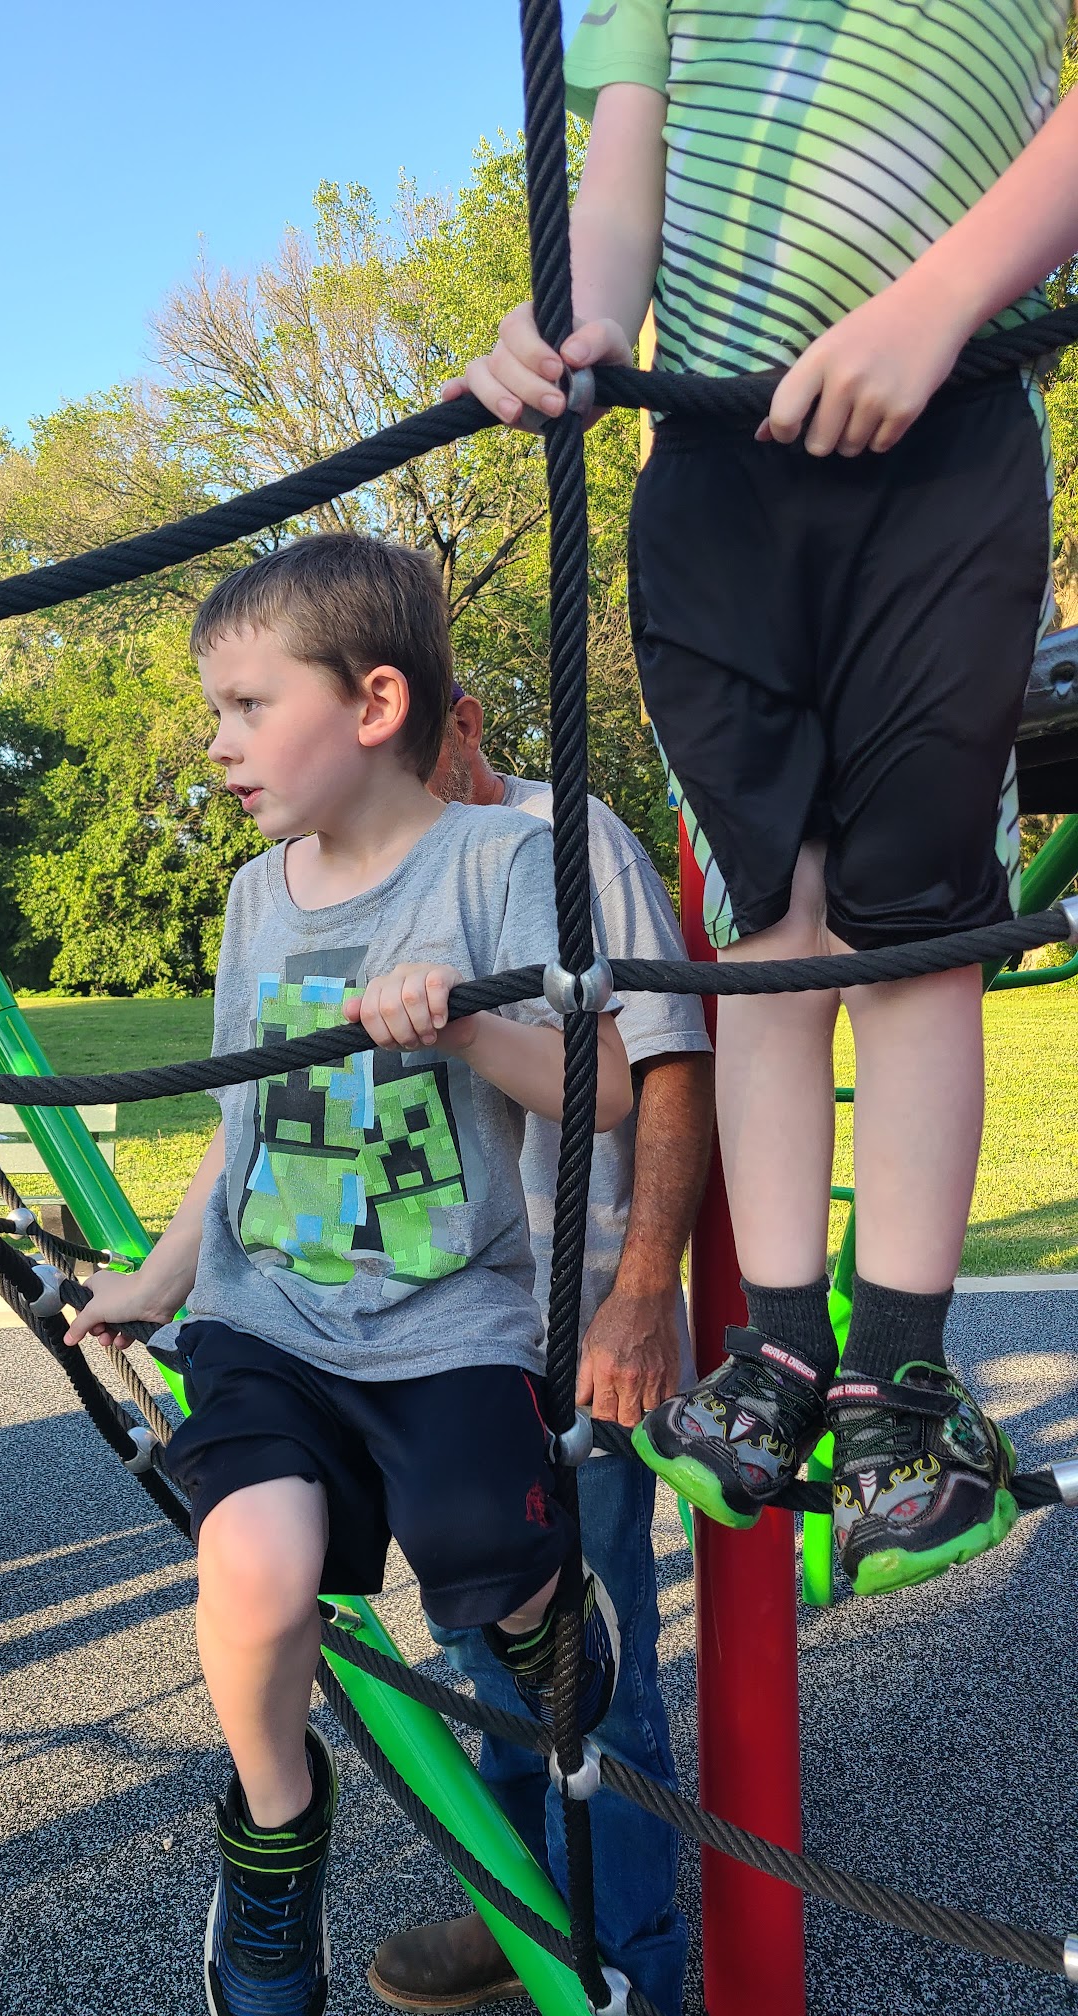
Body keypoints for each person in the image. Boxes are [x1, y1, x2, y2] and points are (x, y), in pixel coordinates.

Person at [448, 0, 1078, 1597]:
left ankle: (904, 1374)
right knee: (771, 933)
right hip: (716, 459)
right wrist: (577, 323)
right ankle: (784, 1351)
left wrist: (938, 301)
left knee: (911, 932)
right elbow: (626, 168)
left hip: (949, 420)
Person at [66, 533, 633, 2016]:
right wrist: (162, 1276)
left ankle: (548, 1614)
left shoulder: (497, 864)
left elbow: (608, 1090)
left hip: (449, 1320)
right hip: (270, 1317)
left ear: (375, 703)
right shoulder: (257, 897)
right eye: (218, 709)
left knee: (479, 1548)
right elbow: (243, 1116)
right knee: (252, 1570)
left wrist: (466, 1028)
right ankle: (274, 1836)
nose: (218, 742)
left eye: (250, 706)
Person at [368, 688, 713, 2016]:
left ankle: (629, 1961)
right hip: (440, 1339)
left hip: (570, 1322)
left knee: (592, 1661)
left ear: (457, 723)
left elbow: (669, 1062)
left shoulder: (569, 841)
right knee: (483, 1638)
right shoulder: (370, 865)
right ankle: (521, 1916)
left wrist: (644, 1290)